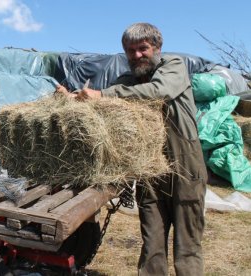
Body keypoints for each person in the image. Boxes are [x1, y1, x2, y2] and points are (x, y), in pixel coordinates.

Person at [57, 22, 207, 275]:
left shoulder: (173, 66)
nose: (136, 55)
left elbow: (158, 91)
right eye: (130, 50)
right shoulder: (129, 79)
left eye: (142, 48)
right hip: (148, 167)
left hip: (185, 164)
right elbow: (102, 103)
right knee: (152, 242)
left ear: (157, 47)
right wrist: (73, 99)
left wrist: (103, 95)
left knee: (187, 244)